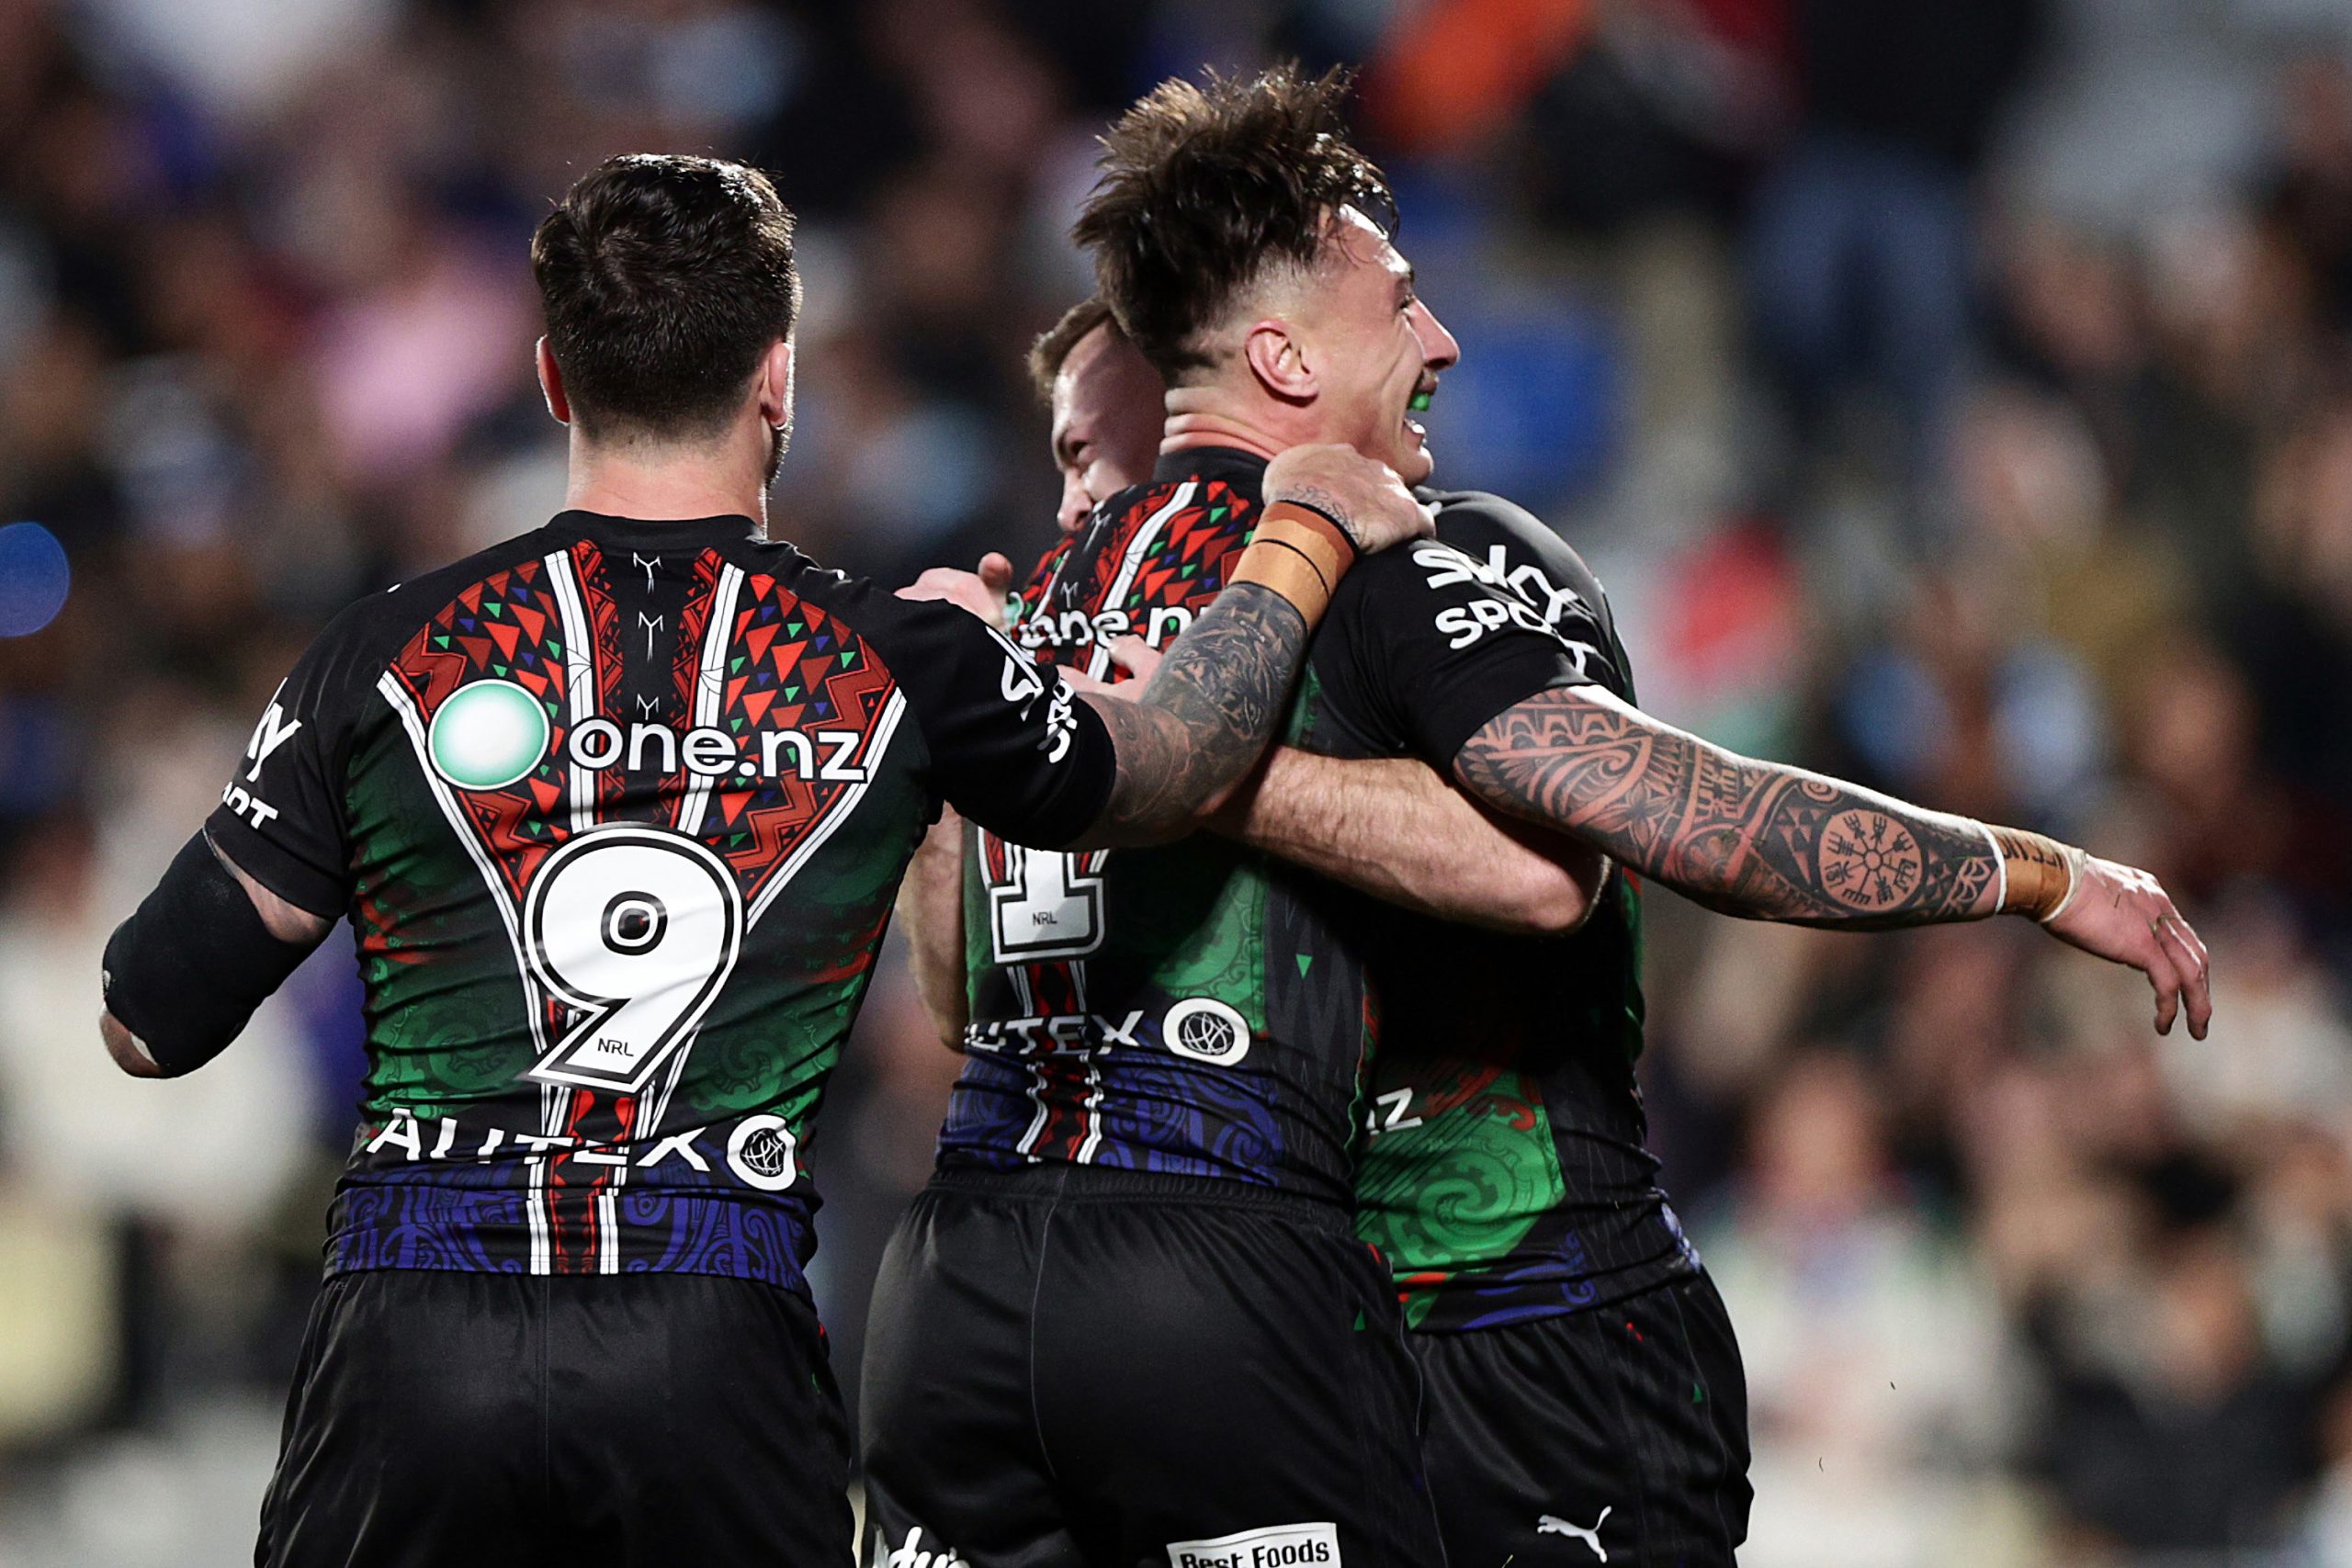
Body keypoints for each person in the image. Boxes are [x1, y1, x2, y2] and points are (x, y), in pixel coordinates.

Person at [870, 68, 2210, 1568]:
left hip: (1513, 1320)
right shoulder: (1236, 582)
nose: (1445, 340)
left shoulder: (1391, 571)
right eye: (1403, 301)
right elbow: (1654, 835)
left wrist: (1173, 758)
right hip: (1302, 1309)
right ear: (1268, 356)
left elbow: (1554, 874)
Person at [94, 152, 1431, 1568]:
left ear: (555, 380)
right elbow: (1164, 769)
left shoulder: (385, 652)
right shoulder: (908, 654)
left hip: (408, 1337)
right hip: (710, 1342)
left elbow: (145, 1021)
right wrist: (1301, 531)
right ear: (779, 376)